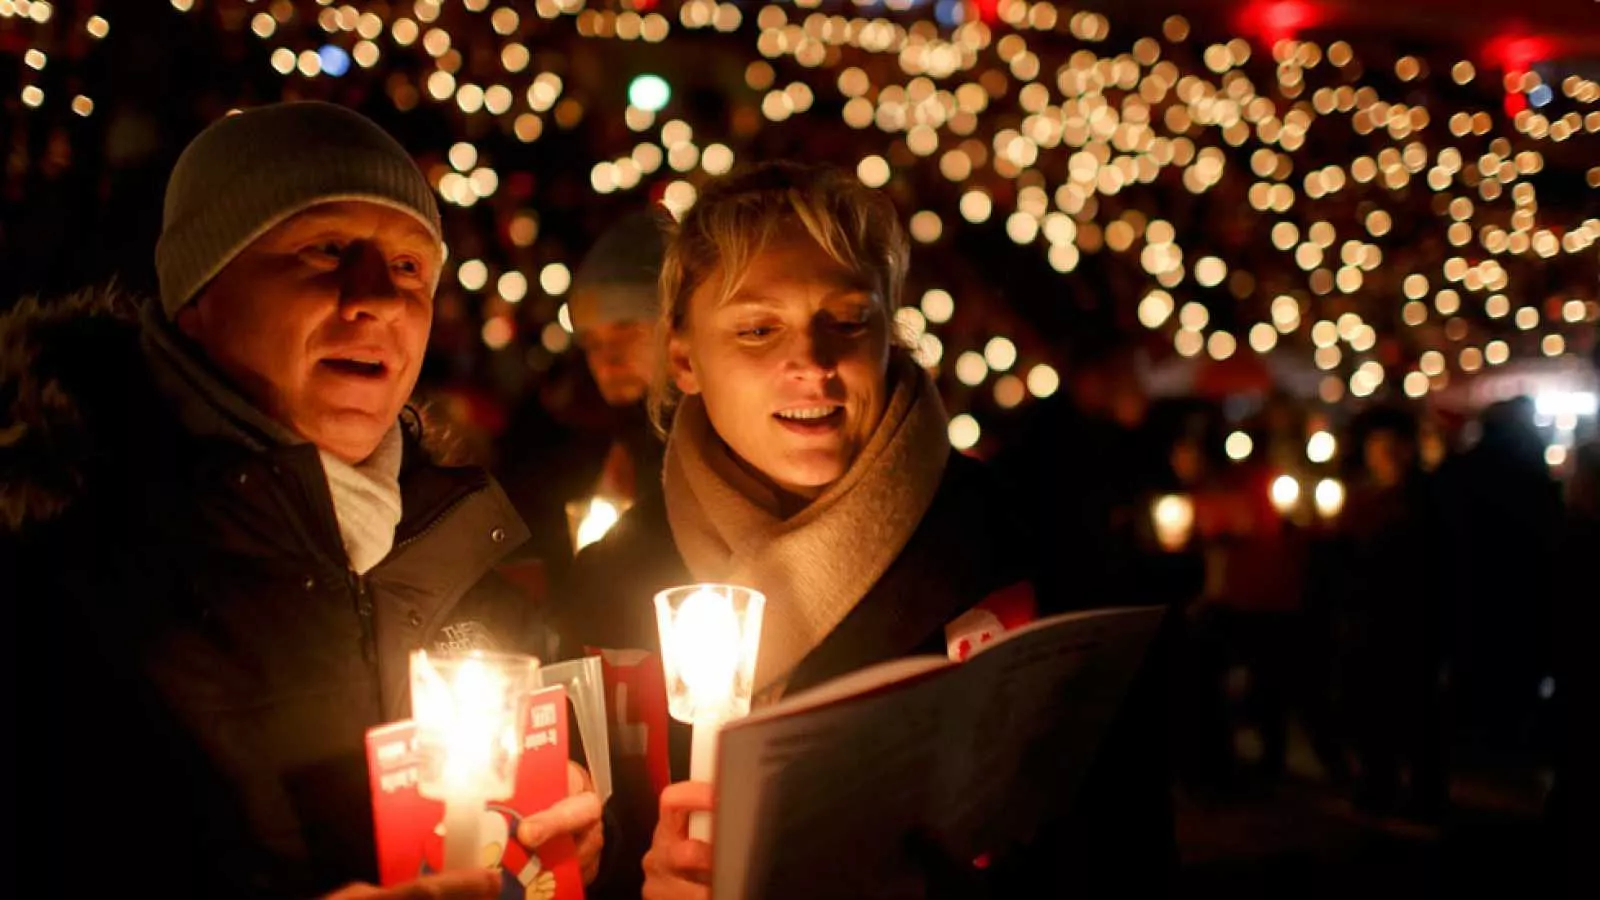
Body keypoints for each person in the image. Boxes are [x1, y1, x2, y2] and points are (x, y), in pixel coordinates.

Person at [0, 102, 601, 898]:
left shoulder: (461, 564)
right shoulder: (59, 569)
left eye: (411, 268)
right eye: (325, 250)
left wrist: (576, 842)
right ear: (200, 291)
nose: (379, 298)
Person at [550, 162, 1174, 899]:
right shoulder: (609, 587)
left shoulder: (1024, 549)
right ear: (684, 358)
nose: (813, 364)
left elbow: (1121, 844)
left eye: (847, 321)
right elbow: (575, 846)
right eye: (757, 329)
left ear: (890, 332)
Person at [499, 210, 668, 580]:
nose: (607, 360)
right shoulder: (564, 442)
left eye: (625, 331)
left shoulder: (706, 448)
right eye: (591, 344)